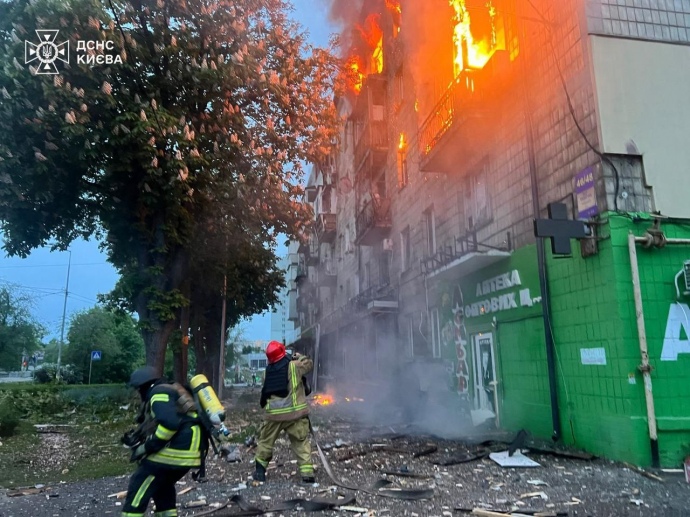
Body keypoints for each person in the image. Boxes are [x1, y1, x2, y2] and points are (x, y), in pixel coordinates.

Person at [121, 366, 203, 517]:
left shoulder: (158, 393)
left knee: (140, 482)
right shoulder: (170, 389)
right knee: (162, 487)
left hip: (176, 452)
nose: (138, 393)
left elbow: (169, 424)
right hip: (190, 451)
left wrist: (147, 447)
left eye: (138, 389)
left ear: (144, 385)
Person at [253, 341, 314, 483]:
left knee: (265, 442)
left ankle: (260, 473)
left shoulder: (266, 372)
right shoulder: (295, 366)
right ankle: (307, 474)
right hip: (295, 414)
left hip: (273, 416)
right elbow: (309, 364)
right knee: (300, 442)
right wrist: (298, 356)